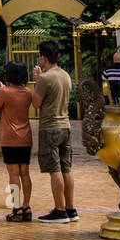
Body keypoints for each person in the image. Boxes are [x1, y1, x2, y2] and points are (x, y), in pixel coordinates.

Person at [32, 40, 77, 224]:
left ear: (44, 57)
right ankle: (71, 209)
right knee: (66, 168)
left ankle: (59, 210)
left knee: (54, 169)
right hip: (65, 126)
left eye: (39, 56)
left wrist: (37, 81)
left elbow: (36, 103)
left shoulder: (45, 78)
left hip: (50, 127)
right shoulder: (66, 75)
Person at [0, 61, 33, 222]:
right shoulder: (28, 92)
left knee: (13, 174)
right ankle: (27, 205)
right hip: (26, 137)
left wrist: (1, 91)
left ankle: (16, 208)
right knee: (25, 173)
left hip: (9, 138)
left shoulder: (5, 92)